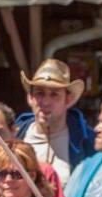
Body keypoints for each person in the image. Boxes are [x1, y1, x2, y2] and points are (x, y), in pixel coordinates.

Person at [14, 58, 94, 188]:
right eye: (40, 93)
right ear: (30, 98)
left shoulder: (88, 142)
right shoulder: (13, 138)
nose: (45, 102)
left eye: (54, 94)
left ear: (68, 100)